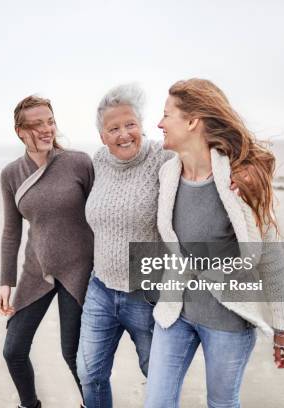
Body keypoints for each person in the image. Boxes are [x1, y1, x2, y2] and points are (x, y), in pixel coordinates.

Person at [146, 78, 284, 408]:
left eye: (166, 114)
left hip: (229, 320)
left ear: (192, 121)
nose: (158, 123)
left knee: (221, 403)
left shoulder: (240, 180)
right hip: (175, 314)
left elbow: (272, 258)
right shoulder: (168, 174)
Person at [76, 84, 174, 408]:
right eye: (113, 128)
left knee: (157, 375)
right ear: (102, 136)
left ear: (141, 125)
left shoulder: (164, 157)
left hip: (146, 295)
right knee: (90, 374)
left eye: (130, 124)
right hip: (100, 288)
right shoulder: (99, 161)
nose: (123, 134)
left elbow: (206, 158)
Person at [0, 95, 94, 408]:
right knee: (13, 349)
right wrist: (5, 282)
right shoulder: (11, 174)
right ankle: (29, 405)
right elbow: (12, 231)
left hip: (78, 270)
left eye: (50, 121)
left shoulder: (78, 163)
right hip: (36, 270)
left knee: (73, 354)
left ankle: (90, 404)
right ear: (20, 131)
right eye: (36, 124)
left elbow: (102, 215)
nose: (46, 129)